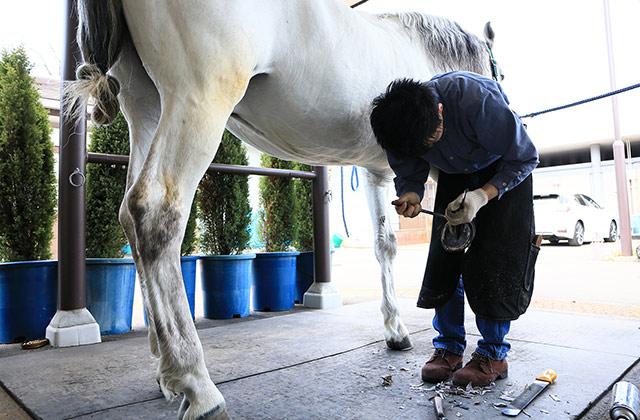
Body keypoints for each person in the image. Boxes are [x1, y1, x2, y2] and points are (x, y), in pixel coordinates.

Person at [369, 71, 540, 387]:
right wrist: (411, 194)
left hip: (504, 166)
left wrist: (482, 195)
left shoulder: (478, 101)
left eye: (431, 140)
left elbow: (526, 157)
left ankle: (493, 353)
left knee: (494, 261)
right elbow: (409, 171)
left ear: (440, 111)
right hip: (454, 172)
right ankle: (448, 348)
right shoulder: (397, 127)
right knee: (445, 259)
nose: (426, 147)